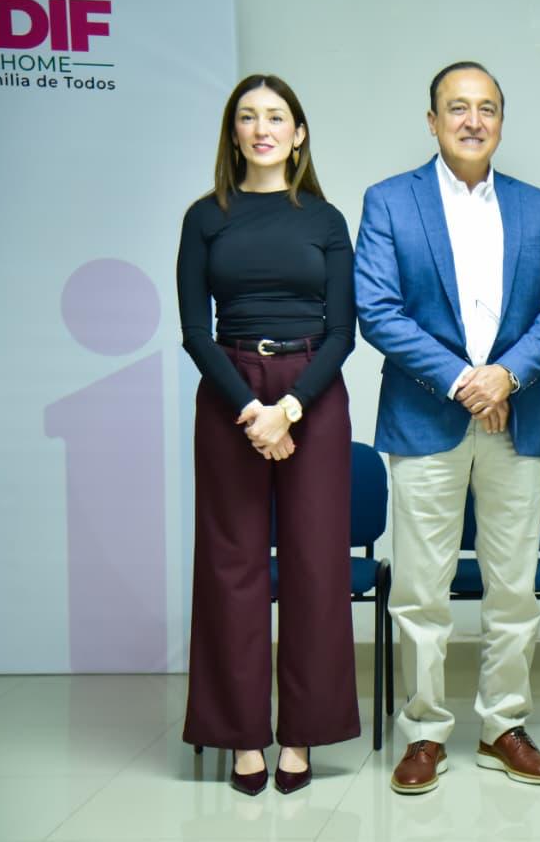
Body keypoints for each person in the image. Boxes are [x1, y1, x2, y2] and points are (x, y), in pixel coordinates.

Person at [354, 61, 540, 795]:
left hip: (518, 420)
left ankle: (502, 725)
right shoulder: (390, 201)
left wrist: (505, 376)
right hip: (425, 419)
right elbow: (378, 310)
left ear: (501, 123)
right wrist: (465, 381)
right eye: (457, 107)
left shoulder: (537, 208)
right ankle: (423, 732)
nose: (473, 120)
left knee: (514, 588)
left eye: (486, 108)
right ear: (432, 121)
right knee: (421, 590)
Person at [178, 73, 360, 796]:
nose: (263, 129)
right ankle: (243, 736)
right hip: (231, 389)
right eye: (248, 117)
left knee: (317, 565)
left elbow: (343, 332)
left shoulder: (325, 219)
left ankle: (304, 733)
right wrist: (252, 410)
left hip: (312, 389)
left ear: (298, 133)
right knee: (233, 566)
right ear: (233, 133)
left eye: (276, 116)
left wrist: (289, 408)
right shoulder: (205, 217)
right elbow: (195, 331)